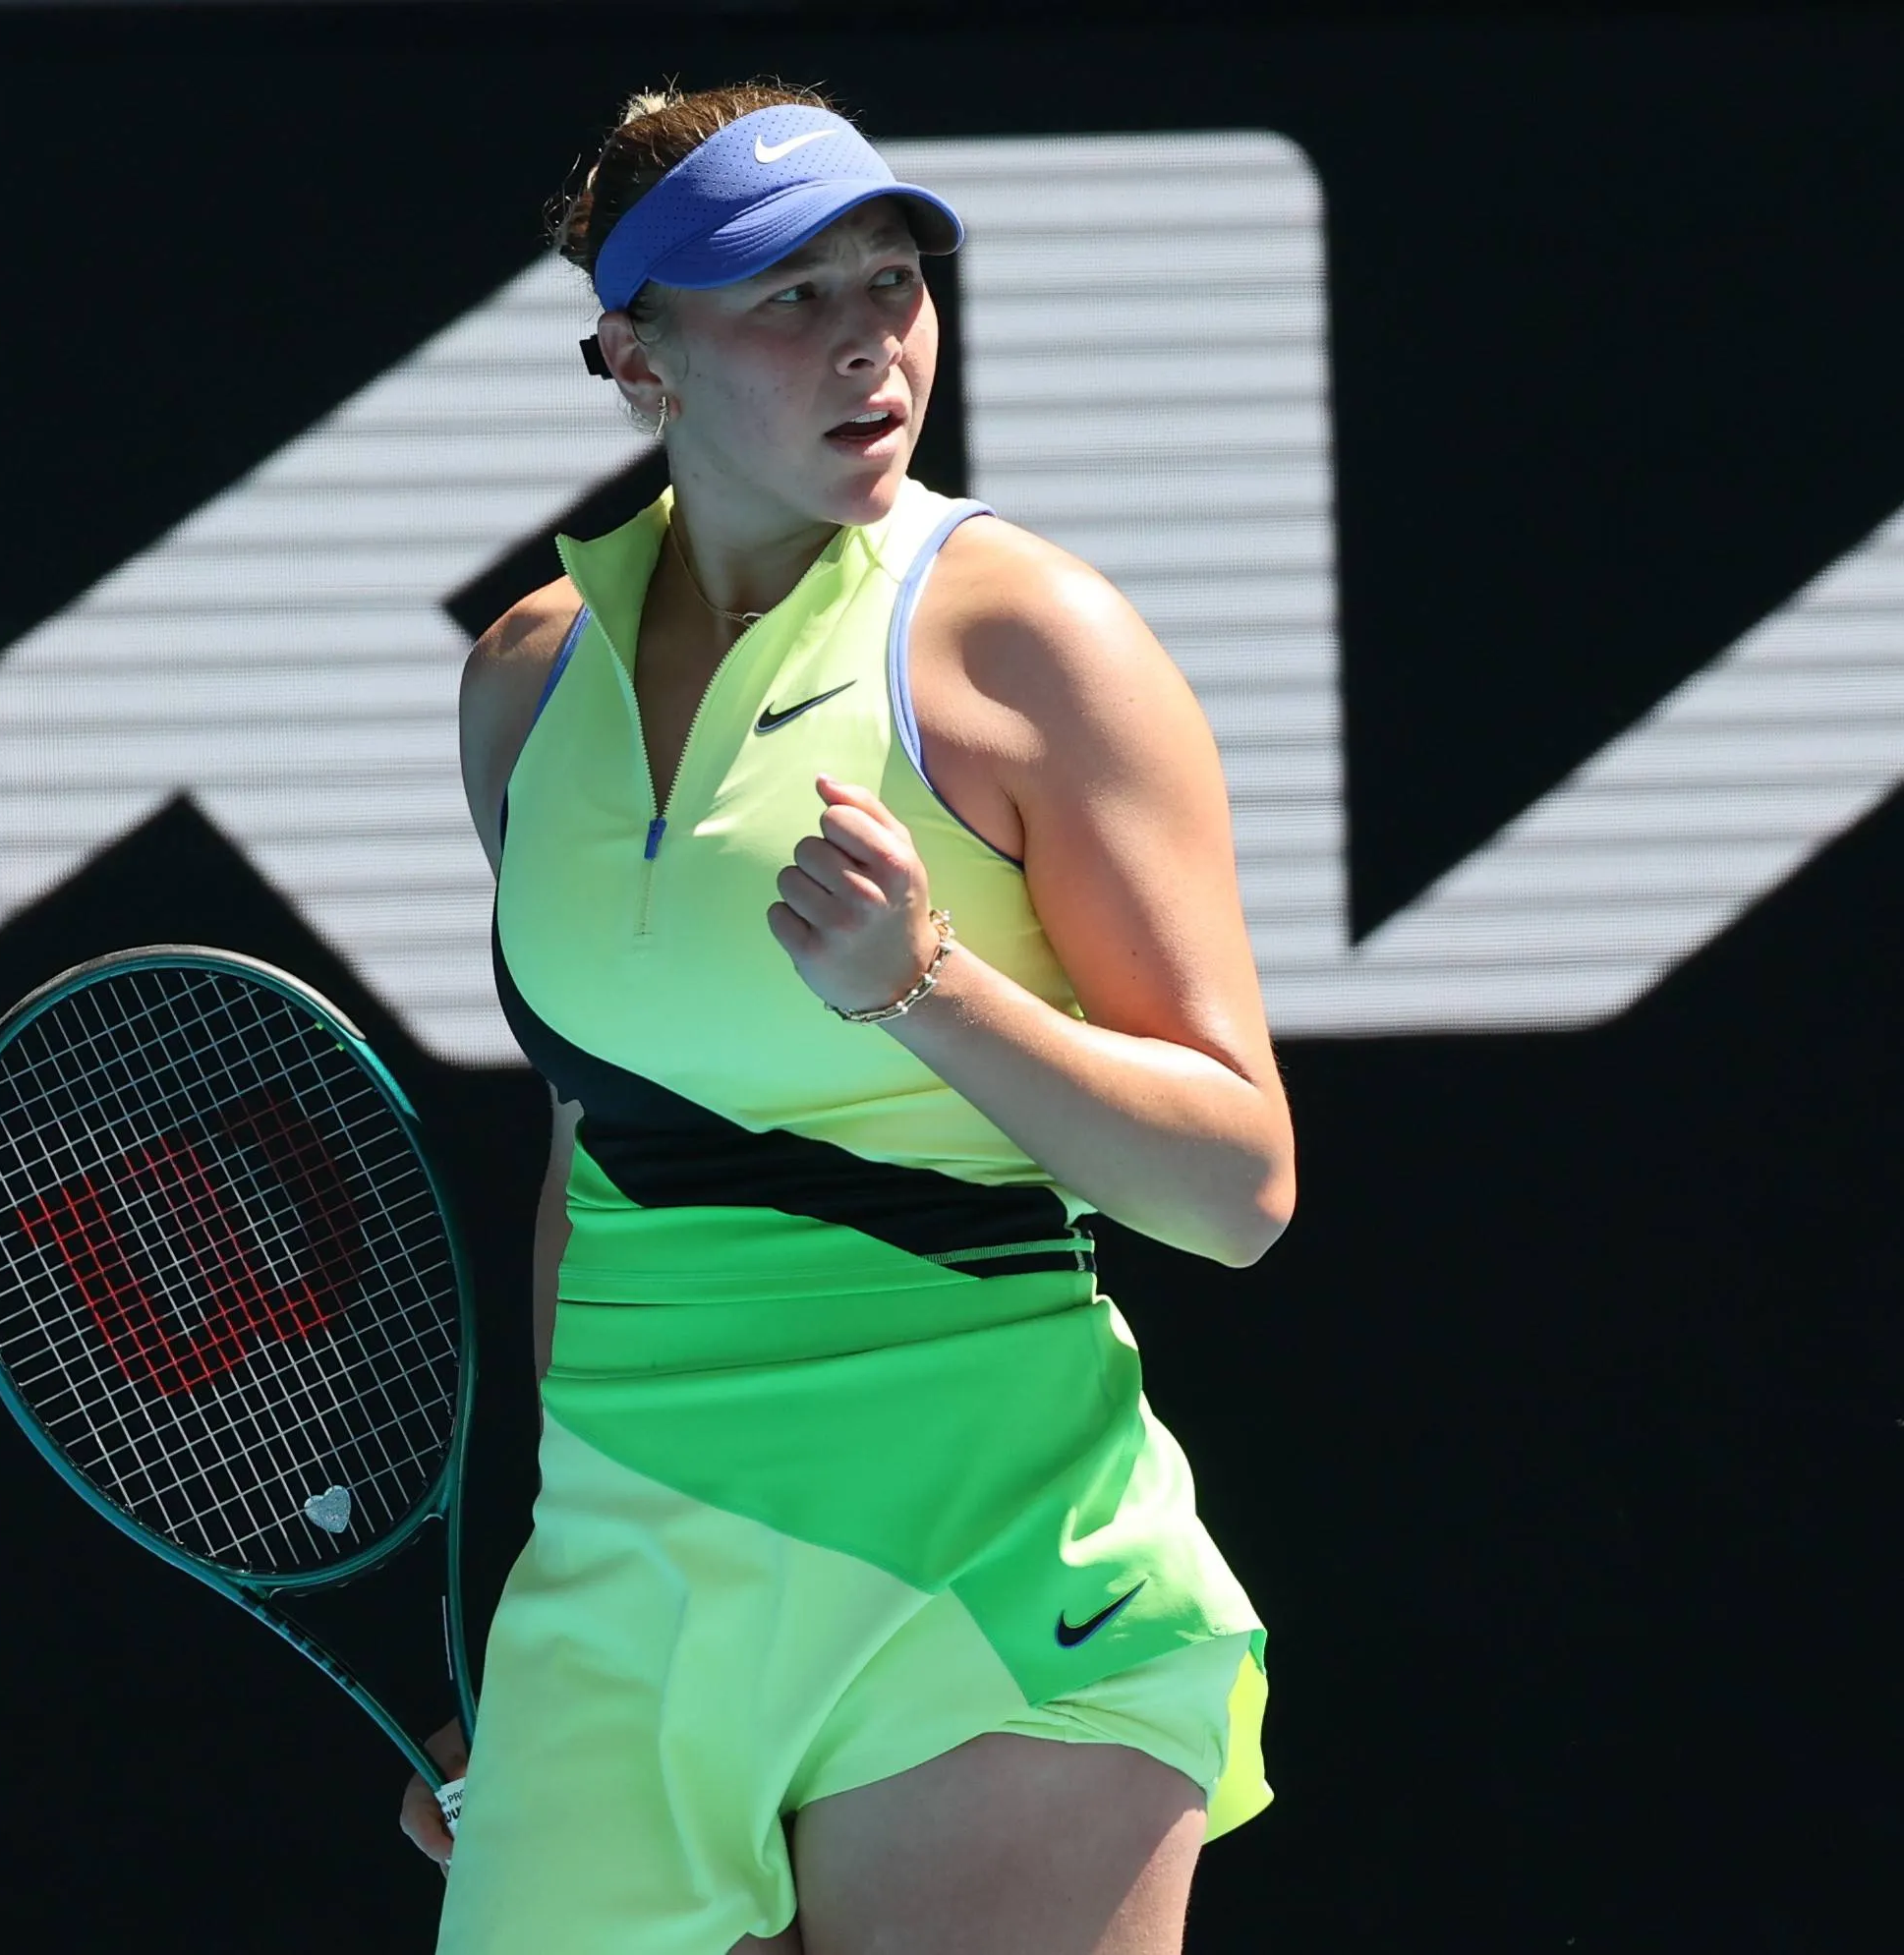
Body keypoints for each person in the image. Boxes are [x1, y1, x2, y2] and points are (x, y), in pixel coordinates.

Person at [405, 82, 1297, 1955]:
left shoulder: (1028, 643)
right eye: (786, 298)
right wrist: (534, 1598)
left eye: (890, 280)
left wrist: (927, 990)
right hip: (627, 1575)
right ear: (633, 356)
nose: (869, 341)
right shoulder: (525, 689)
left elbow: (1235, 1185)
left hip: (989, 1549)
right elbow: (598, 1151)